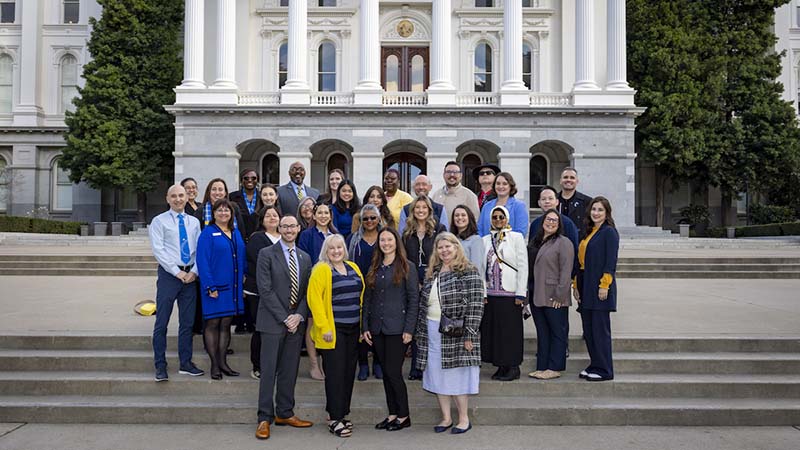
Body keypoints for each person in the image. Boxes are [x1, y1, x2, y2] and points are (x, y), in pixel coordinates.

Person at [415, 232, 484, 435]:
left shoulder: (468, 270)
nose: (444, 250)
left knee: (457, 375)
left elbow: (476, 303)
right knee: (436, 374)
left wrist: (470, 334)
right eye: (440, 247)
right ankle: (445, 418)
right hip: (431, 329)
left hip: (457, 331)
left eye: (448, 246)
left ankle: (463, 419)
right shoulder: (433, 272)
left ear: (456, 247)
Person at [255, 214, 314, 440]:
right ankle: (264, 418)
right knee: (269, 370)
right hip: (272, 321)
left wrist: (298, 315)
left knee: (289, 371)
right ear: (279, 228)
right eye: (285, 226)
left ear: (299, 228)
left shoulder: (305, 257)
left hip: (295, 324)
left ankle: (285, 413)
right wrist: (285, 317)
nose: (289, 229)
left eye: (293, 226)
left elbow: (307, 291)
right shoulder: (266, 254)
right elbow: (265, 289)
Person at [307, 234, 366, 438]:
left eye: (339, 247)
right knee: (335, 375)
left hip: (353, 330)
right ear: (326, 250)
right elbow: (314, 299)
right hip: (333, 331)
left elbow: (361, 295)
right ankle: (334, 418)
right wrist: (324, 327)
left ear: (344, 249)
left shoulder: (353, 267)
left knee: (349, 373)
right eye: (331, 248)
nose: (336, 251)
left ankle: (342, 413)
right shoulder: (322, 269)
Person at [362, 227, 419, 431]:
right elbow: (368, 299)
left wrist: (409, 329)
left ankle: (404, 415)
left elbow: (414, 300)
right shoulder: (375, 267)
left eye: (389, 239)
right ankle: (392, 413)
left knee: (394, 372)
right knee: (386, 373)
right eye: (382, 240)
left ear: (396, 242)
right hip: (377, 328)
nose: (386, 243)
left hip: (398, 329)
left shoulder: (407, 267)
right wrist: (365, 326)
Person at [149, 184, 204, 381]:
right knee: (161, 322)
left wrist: (194, 272)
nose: (178, 199)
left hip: (190, 277)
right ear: (167, 198)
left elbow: (200, 249)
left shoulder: (193, 222)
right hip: (169, 276)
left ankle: (186, 363)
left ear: (186, 196)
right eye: (174, 196)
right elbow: (158, 250)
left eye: (181, 195)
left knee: (187, 323)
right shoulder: (158, 221)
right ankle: (160, 366)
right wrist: (176, 272)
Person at [196, 199, 246, 380]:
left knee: (226, 324)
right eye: (220, 210)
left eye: (227, 210)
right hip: (215, 288)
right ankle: (214, 365)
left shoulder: (236, 232)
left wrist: (243, 280)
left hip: (232, 288)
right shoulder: (207, 233)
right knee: (212, 324)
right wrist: (209, 286)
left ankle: (224, 362)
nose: (224, 213)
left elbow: (241, 257)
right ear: (213, 213)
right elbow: (202, 261)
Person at [574, 196, 619, 382]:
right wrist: (576, 285)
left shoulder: (609, 233)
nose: (596, 213)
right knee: (589, 328)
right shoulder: (588, 232)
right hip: (585, 283)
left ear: (607, 213)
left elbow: (610, 262)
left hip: (599, 285)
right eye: (593, 209)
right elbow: (580, 262)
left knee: (600, 330)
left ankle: (605, 369)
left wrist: (604, 285)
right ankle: (594, 363)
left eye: (600, 210)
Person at [481, 205, 528, 381]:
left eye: (501, 217)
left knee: (510, 332)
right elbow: (481, 268)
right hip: (492, 294)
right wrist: (483, 293)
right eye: (495, 217)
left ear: (507, 219)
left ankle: (513, 366)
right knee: (495, 331)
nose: (498, 220)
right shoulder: (486, 239)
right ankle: (501, 365)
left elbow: (523, 266)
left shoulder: (516, 238)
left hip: (510, 293)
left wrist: (520, 293)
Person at [402, 195, 446, 380]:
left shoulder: (439, 230)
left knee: (432, 323)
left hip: (433, 280)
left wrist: (429, 280)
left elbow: (443, 255)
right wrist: (414, 282)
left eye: (424, 207)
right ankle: (416, 367)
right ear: (413, 211)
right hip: (412, 280)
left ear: (429, 210)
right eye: (417, 207)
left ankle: (434, 366)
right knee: (417, 323)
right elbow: (404, 259)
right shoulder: (407, 232)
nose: (420, 210)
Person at [528, 209, 574, 380]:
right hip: (536, 293)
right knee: (543, 331)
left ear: (559, 224)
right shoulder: (536, 240)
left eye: (555, 220)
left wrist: (560, 296)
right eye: (548, 219)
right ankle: (542, 366)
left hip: (554, 295)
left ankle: (554, 367)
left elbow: (566, 271)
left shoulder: (564, 242)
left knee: (557, 331)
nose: (551, 223)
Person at [244, 205, 282, 380]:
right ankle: (257, 366)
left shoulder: (286, 237)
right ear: (262, 220)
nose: (272, 218)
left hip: (281, 294)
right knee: (261, 330)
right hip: (258, 292)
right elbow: (260, 264)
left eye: (275, 215)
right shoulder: (257, 238)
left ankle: (275, 365)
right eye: (268, 215)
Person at [346, 204, 383, 381]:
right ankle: (362, 364)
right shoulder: (353, 239)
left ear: (379, 219)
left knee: (376, 325)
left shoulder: (386, 237)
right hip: (358, 287)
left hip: (380, 287)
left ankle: (377, 362)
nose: (369, 221)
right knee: (361, 324)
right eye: (365, 218)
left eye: (372, 218)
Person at [477, 172, 528, 236]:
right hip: (487, 244)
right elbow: (480, 229)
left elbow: (521, 231)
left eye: (505, 184)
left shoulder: (519, 206)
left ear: (510, 186)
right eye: (498, 183)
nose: (501, 186)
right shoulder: (487, 206)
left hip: (511, 244)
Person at [449, 204, 485, 276]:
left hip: (470, 281)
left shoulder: (476, 240)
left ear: (469, 218)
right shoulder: (451, 239)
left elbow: (476, 266)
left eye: (463, 215)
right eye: (456, 215)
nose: (460, 218)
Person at [229, 169, 261, 239]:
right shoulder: (232, 197)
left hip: (259, 237)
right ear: (241, 181)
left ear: (257, 180)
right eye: (246, 178)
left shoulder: (262, 197)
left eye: (253, 178)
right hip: (238, 236)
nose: (250, 180)